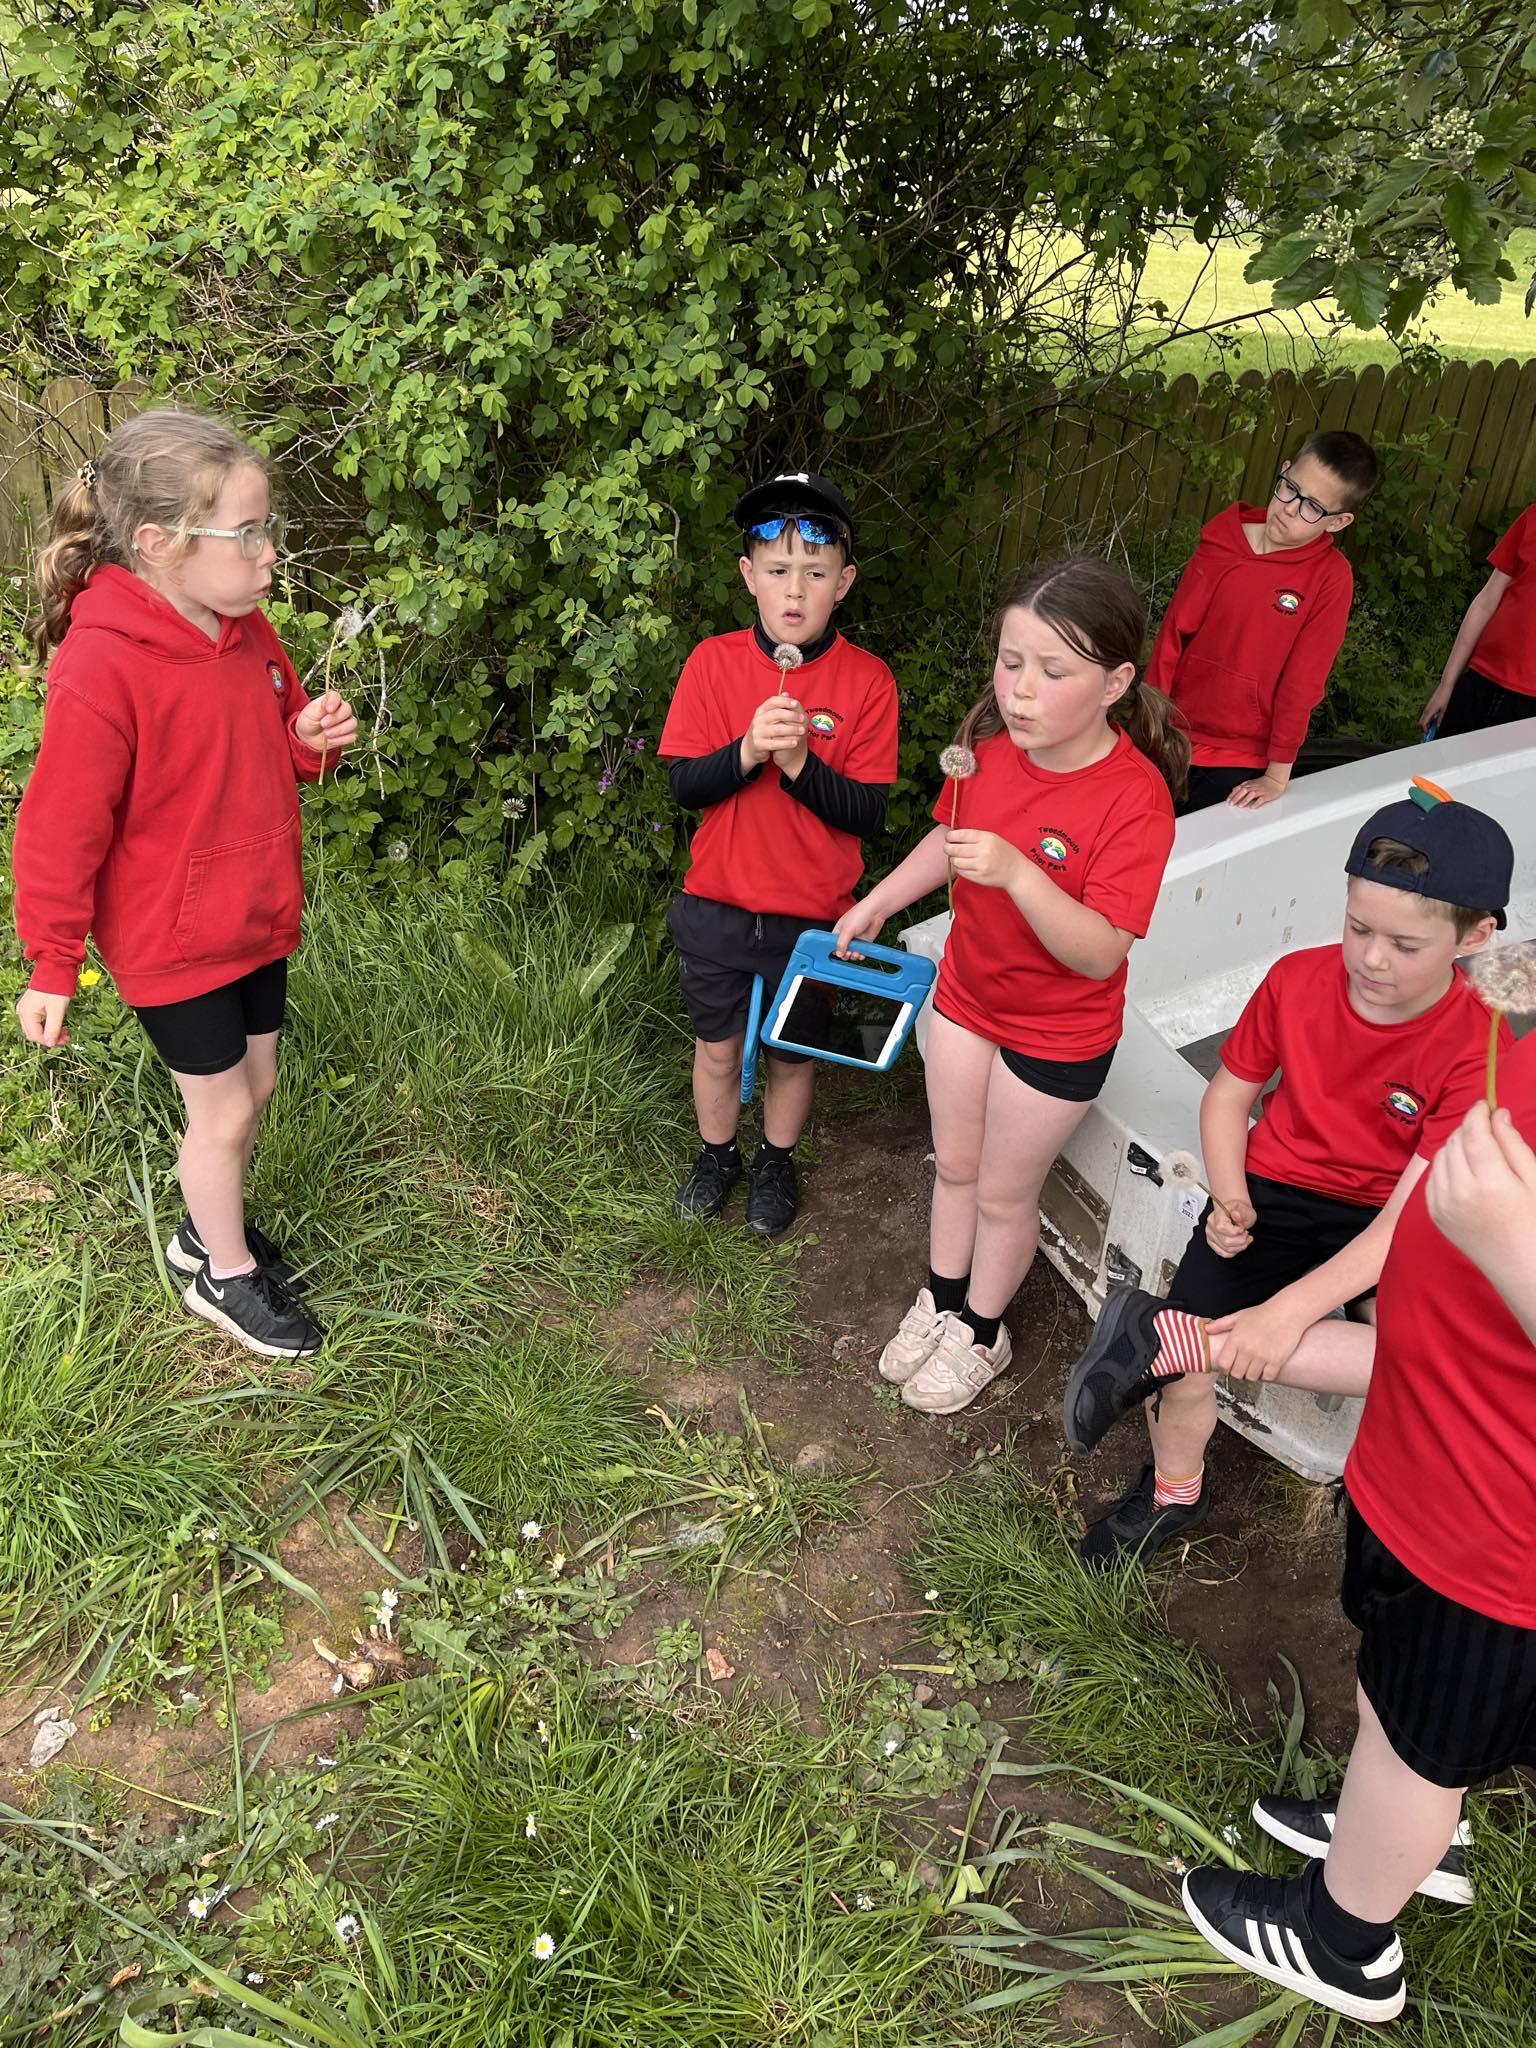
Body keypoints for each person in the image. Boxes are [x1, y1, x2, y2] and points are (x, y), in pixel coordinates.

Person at [1061, 785, 1513, 1567]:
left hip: (1389, 1216)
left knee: (1425, 1356)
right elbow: (1228, 1097)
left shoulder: (1482, 1043)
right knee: (1182, 1368)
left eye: (1405, 945)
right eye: (1358, 927)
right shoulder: (1296, 980)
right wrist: (1230, 1193)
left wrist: (1291, 1312)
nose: (1372, 958)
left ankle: (1169, 1338)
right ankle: (1174, 1492)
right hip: (1274, 1191)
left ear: (1474, 935)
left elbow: (1404, 1220)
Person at [1178, 1069, 1536, 2023]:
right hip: (1432, 1467)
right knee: (1401, 1713)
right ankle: (1411, 1835)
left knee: (1419, 1749)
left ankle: (1343, 1941)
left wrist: (1515, 1246)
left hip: (1497, 1546)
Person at [12, 409, 356, 1361]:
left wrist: (307, 742)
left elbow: (267, 747)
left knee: (259, 1083)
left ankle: (209, 1229)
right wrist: (52, 961)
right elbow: (60, 826)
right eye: (246, 534)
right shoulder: (103, 663)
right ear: (159, 544)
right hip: (171, 936)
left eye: (268, 528)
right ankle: (222, 1275)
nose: (270, 552)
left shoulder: (247, 631)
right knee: (225, 1111)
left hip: (255, 914)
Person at [833, 557, 1186, 1415]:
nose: (1020, 690)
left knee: (1001, 1190)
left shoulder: (1134, 799)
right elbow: (947, 839)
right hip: (966, 1000)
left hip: (1057, 1035)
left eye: (1052, 672)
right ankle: (942, 1299)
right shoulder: (988, 756)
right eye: (1010, 660)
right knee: (955, 1165)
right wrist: (880, 900)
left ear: (1115, 685)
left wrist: (1021, 874)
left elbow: (1100, 953)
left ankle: (983, 1331)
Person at [658, 471, 898, 1237]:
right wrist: (746, 753)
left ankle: (776, 1160)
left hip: (814, 915)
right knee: (717, 1049)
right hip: (718, 904)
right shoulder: (711, 663)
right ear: (748, 576)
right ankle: (717, 1156)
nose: (795, 591)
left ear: (844, 583)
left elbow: (869, 813)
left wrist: (798, 767)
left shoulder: (869, 682)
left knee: (794, 1054)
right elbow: (684, 785)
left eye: (816, 573)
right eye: (778, 570)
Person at [1146, 430, 1379, 815]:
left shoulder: (1329, 578)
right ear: (1283, 471)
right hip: (1174, 735)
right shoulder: (1222, 542)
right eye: (1290, 489)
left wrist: (1276, 775)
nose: (1289, 509)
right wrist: (1151, 726)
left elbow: (1303, 681)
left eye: (1312, 507)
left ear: (1338, 522)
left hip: (1242, 754)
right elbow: (1172, 637)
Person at [1421, 502, 1536, 737]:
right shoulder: (1532, 518)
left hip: (1529, 709)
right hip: (1478, 681)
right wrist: (1447, 684)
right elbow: (1485, 602)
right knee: (1441, 759)